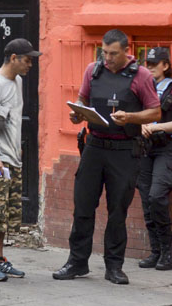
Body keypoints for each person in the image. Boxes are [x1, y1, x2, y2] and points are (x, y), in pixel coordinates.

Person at [54, 29, 160, 285]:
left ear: (126, 51)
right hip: (94, 147)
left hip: (125, 151)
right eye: (104, 52)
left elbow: (155, 113)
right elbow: (83, 100)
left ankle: (114, 267)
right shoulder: (93, 70)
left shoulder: (141, 76)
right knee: (83, 206)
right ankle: (77, 262)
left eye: (113, 53)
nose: (107, 58)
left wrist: (131, 117)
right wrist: (77, 114)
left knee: (117, 211)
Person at [0, 37, 40, 282]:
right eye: (27, 60)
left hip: (11, 158)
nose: (30, 65)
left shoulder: (18, 81)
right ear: (13, 58)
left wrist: (16, 149)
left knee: (6, 213)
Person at [136, 47, 172, 272]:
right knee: (147, 199)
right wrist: (141, 126)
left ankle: (167, 252)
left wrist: (155, 127)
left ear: (165, 65)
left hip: (166, 147)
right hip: (146, 148)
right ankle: (155, 251)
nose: (149, 68)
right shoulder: (142, 87)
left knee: (157, 196)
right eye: (146, 64)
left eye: (153, 64)